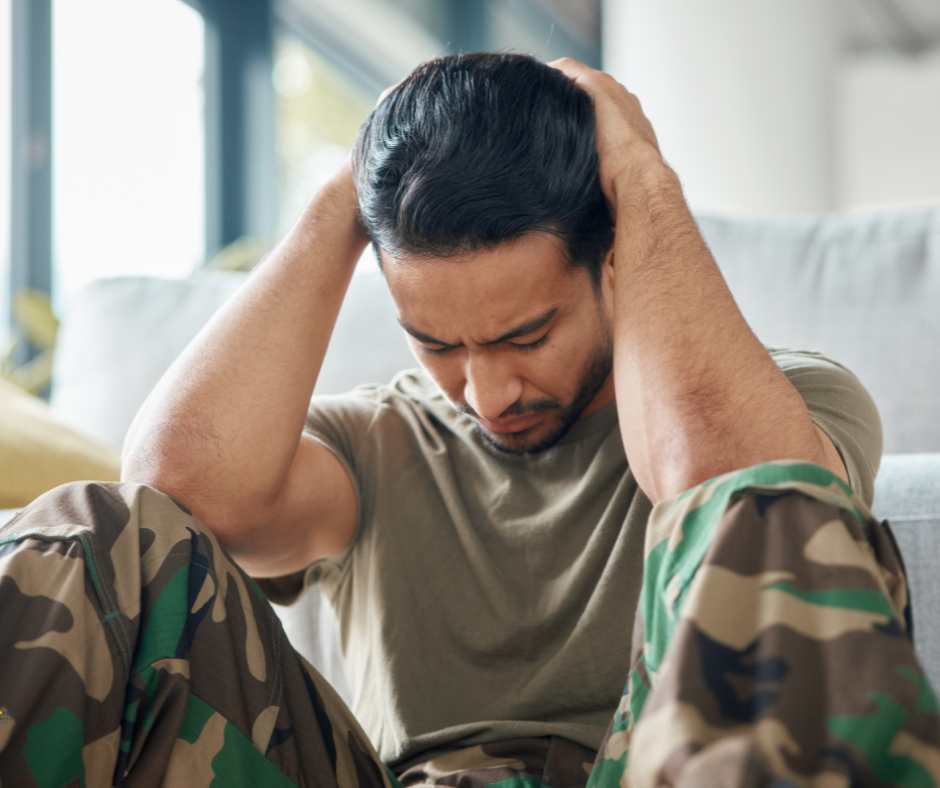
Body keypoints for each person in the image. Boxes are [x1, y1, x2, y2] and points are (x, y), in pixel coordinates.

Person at [1, 53, 937, 788]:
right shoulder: (371, 443)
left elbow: (730, 488)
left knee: (773, 504)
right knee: (89, 531)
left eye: (527, 335)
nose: (487, 395)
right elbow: (171, 491)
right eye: (437, 344)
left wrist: (642, 180)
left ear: (612, 260)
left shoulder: (795, 403)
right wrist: (347, 195)